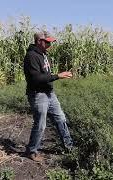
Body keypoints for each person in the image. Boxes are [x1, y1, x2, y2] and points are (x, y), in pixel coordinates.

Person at [23, 31, 74, 162]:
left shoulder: (43, 54)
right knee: (40, 124)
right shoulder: (31, 56)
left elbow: (45, 74)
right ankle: (32, 151)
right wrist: (58, 76)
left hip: (49, 93)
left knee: (60, 118)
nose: (50, 44)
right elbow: (36, 79)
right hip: (38, 95)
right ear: (39, 41)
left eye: (51, 41)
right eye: (48, 42)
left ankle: (69, 147)